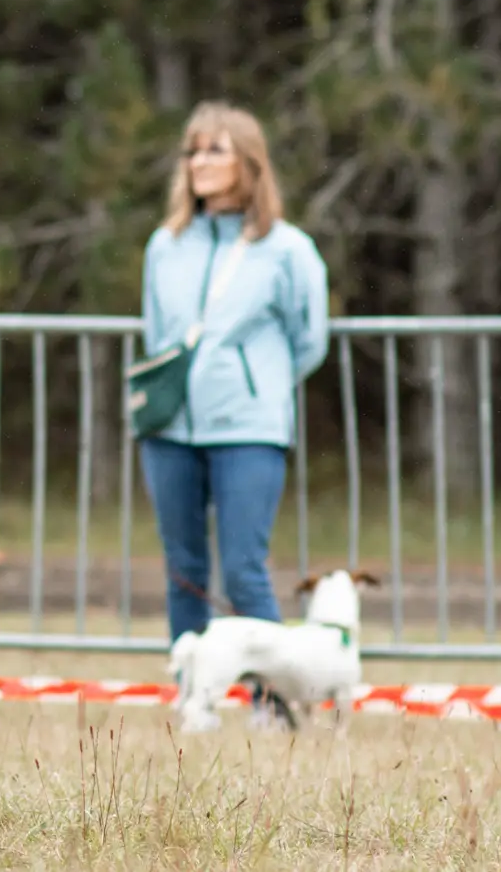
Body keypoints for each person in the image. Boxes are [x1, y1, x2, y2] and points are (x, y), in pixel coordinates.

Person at [138, 101, 330, 676]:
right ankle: (194, 700)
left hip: (249, 427)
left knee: (244, 567)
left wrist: (254, 383)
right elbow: (158, 333)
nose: (198, 161)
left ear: (248, 162)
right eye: (193, 150)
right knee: (184, 568)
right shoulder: (164, 245)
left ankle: (271, 700)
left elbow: (308, 339)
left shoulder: (288, 249)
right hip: (169, 428)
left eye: (214, 149)